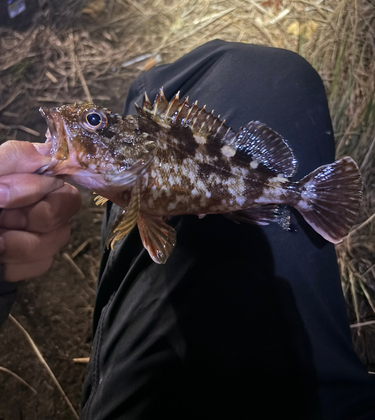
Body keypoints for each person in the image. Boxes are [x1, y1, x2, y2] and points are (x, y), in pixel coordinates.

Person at [1, 41, 375, 419]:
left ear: (137, 145)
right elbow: (154, 234)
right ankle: (302, 195)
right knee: (278, 71)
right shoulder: (126, 174)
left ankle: (306, 196)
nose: (85, 126)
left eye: (95, 121)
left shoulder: (142, 161)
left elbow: (155, 234)